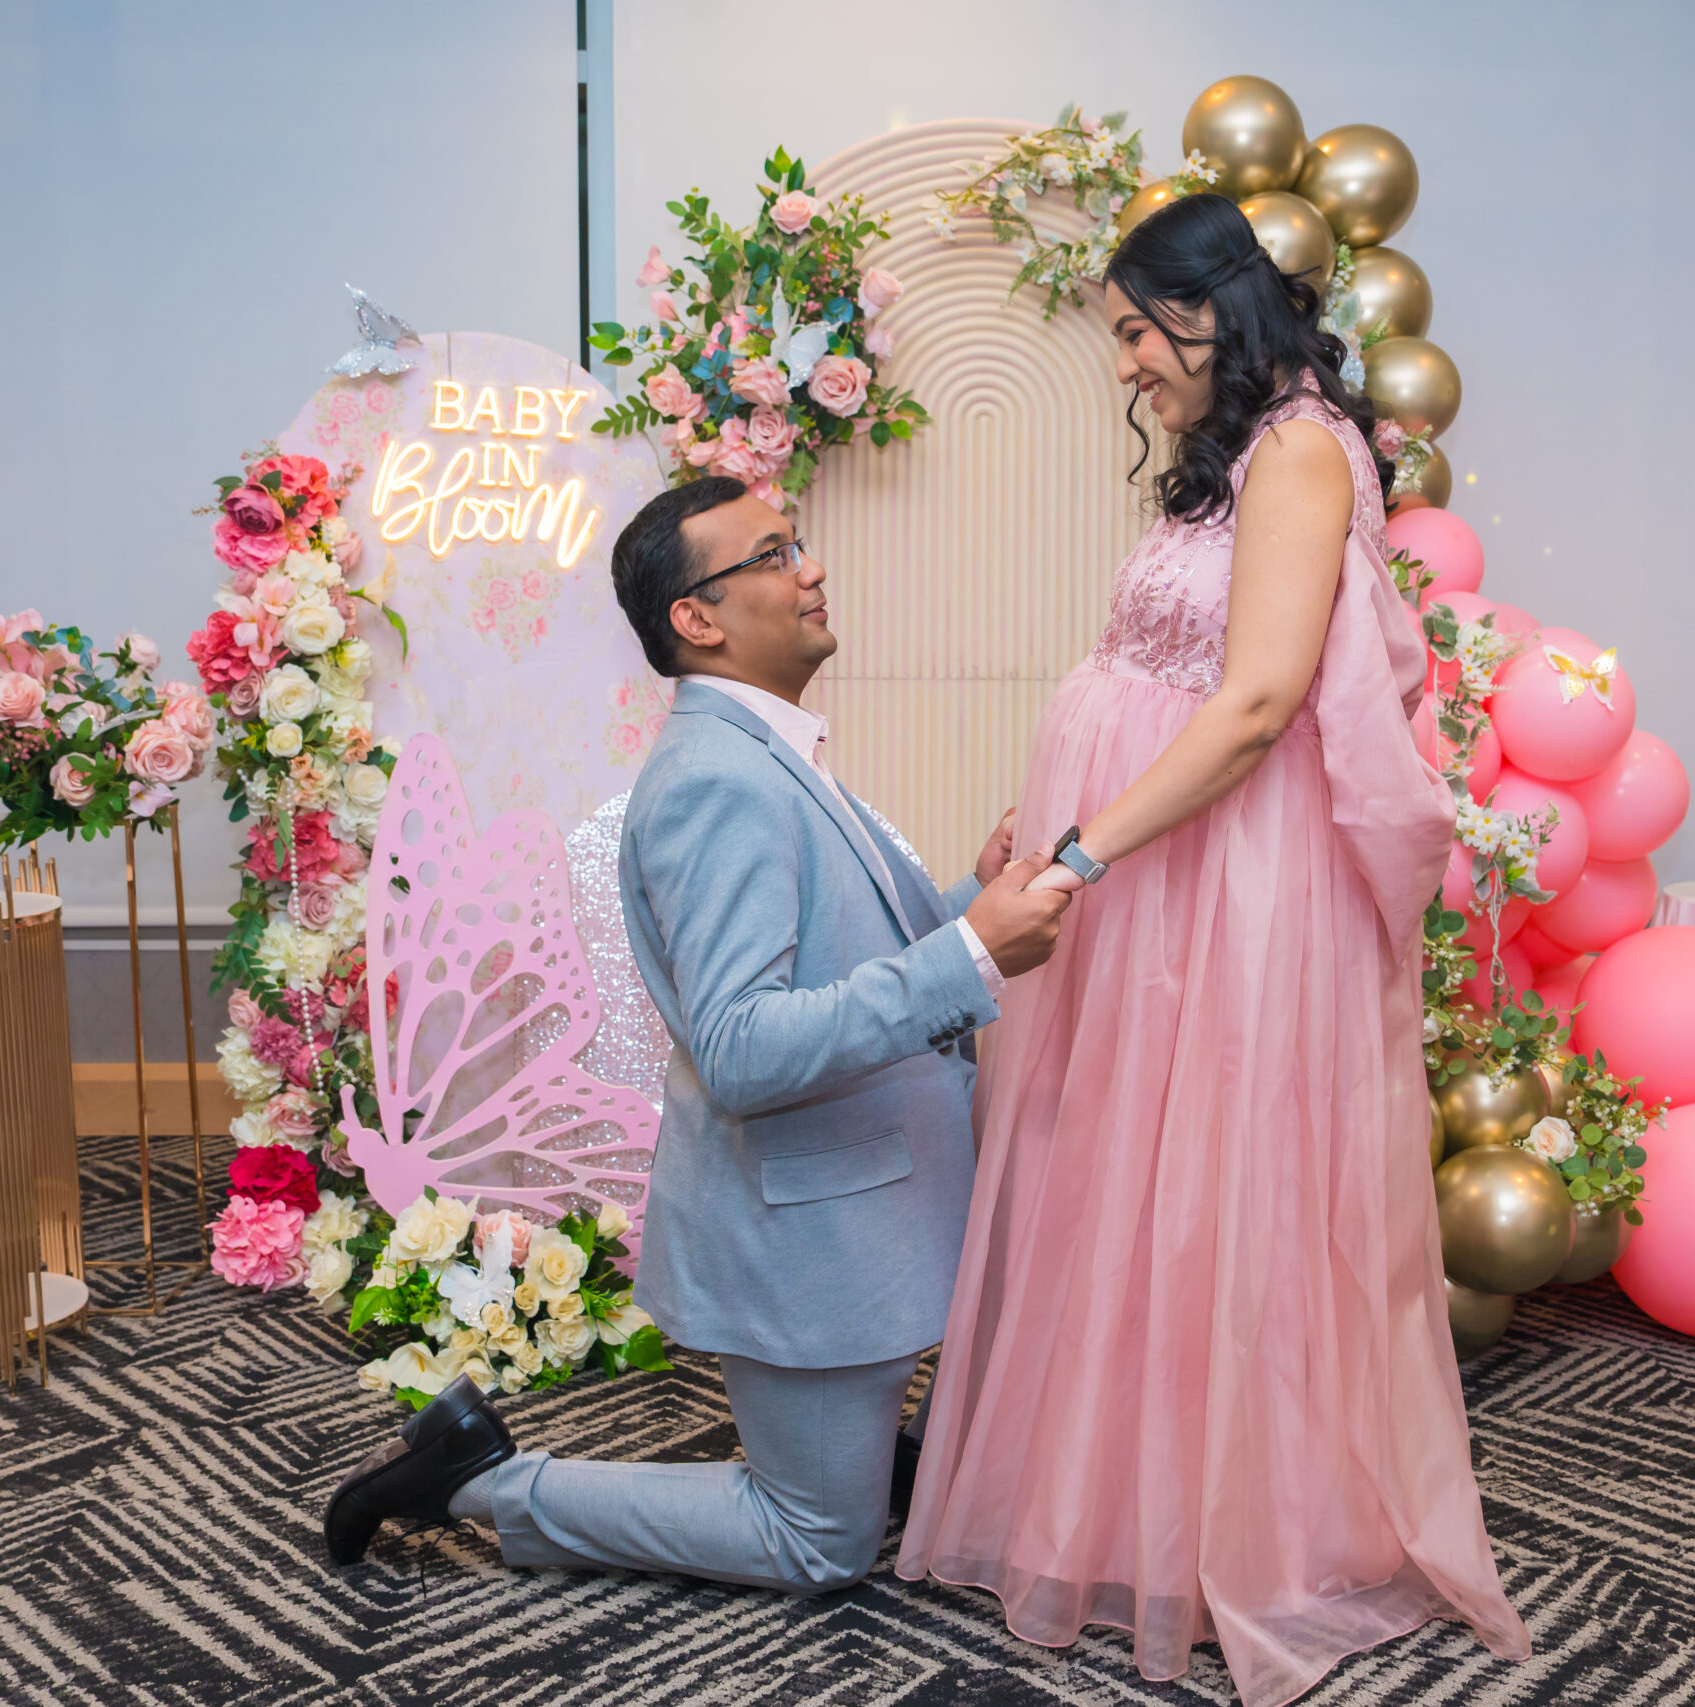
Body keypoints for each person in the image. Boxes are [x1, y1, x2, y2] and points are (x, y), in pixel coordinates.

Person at [894, 193, 1531, 1703]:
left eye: (1135, 330)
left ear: (1207, 311)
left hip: (1217, 880)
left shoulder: (1301, 450)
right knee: (1120, 1169)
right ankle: (1109, 1497)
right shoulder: (1232, 456)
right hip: (1150, 863)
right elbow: (1145, 669)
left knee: (1205, 1182)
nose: (1124, 364)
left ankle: (1223, 1526)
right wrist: (1043, 805)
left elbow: (1251, 707)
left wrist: (1085, 847)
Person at [326, 475, 1074, 1591]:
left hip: (861, 1204)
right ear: (697, 617)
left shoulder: (764, 751)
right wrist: (971, 952)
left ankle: (890, 1462)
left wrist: (974, 903)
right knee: (811, 1540)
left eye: (796, 545)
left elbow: (836, 954)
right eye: (774, 555)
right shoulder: (715, 779)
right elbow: (742, 1047)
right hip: (807, 1233)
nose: (810, 568)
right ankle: (475, 1479)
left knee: (868, 1481)